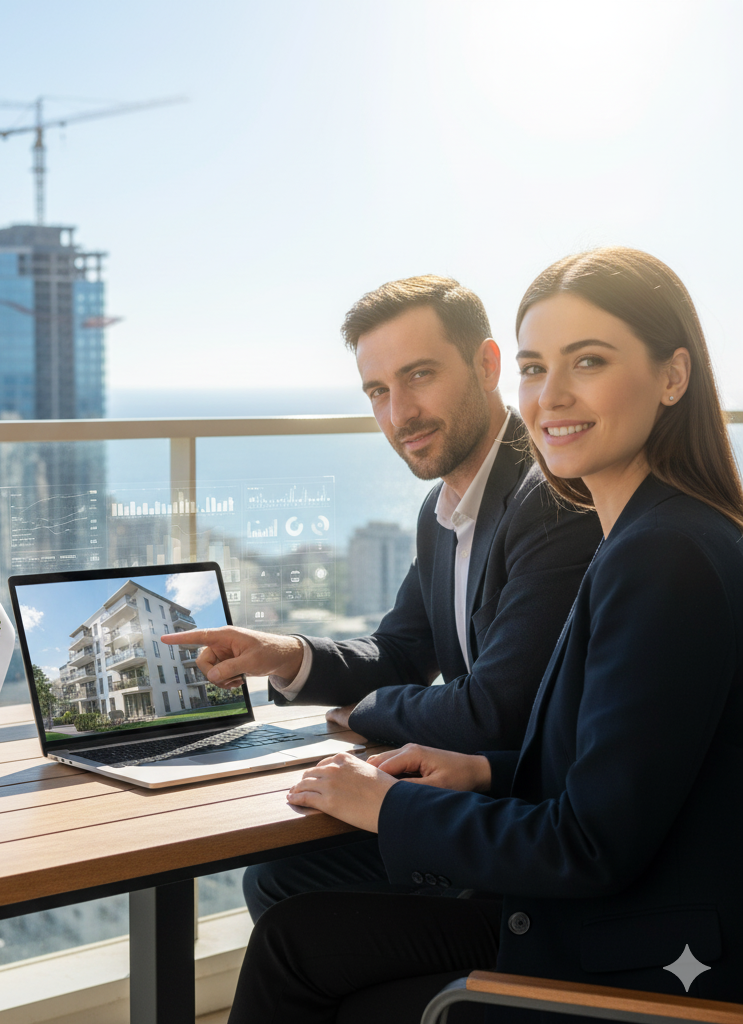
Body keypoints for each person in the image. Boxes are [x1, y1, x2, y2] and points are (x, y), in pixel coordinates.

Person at [226, 246, 743, 1023]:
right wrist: (483, 773)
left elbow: (589, 843)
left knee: (298, 947)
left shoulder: (658, 557)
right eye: (539, 368)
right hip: (617, 913)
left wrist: (387, 807)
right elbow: (626, 776)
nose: (552, 396)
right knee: (300, 928)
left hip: (627, 963)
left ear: (673, 377)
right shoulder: (652, 534)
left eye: (589, 361)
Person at [164, 275, 602, 920]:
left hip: (533, 819)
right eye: (378, 391)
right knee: (281, 876)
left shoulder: (552, 498)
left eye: (419, 375)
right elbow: (403, 648)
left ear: (487, 365)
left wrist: (364, 709)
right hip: (483, 788)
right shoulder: (442, 507)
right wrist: (285, 655)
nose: (400, 414)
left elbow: (496, 713)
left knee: (289, 887)